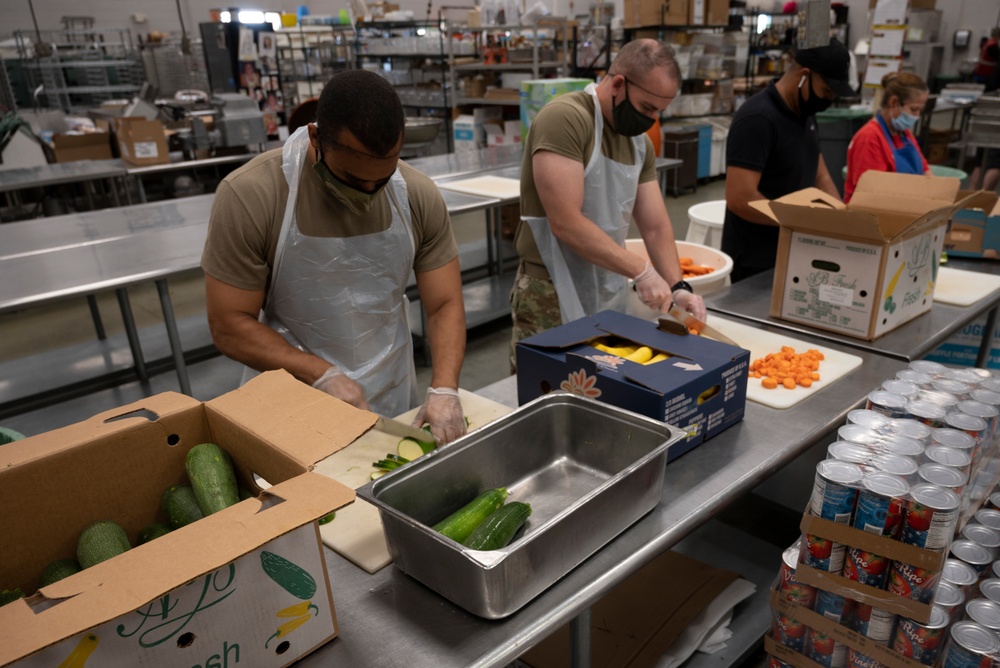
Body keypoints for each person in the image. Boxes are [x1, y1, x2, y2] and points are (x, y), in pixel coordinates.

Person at [202, 70, 468, 444]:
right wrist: (320, 374)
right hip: (294, 396)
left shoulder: (417, 194)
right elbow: (229, 323)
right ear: (315, 137)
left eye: (382, 179)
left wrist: (444, 389)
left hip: (391, 395)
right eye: (353, 179)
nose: (369, 193)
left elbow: (443, 304)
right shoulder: (253, 195)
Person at [510, 39, 706, 365]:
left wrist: (677, 287)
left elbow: (655, 226)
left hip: (608, 287)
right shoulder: (566, 119)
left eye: (659, 111)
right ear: (617, 84)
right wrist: (641, 271)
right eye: (646, 108)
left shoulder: (639, 144)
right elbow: (565, 223)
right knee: (547, 391)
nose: (652, 119)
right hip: (551, 290)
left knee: (604, 392)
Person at [723, 39, 853, 282]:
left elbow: (820, 175)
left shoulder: (805, 115)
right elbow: (740, 198)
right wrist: (799, 222)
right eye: (826, 92)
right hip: (757, 260)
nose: (827, 100)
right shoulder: (758, 119)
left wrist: (841, 219)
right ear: (804, 76)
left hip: (794, 251)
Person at [843, 72, 930, 203]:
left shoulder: (904, 135)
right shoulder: (869, 138)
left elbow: (925, 172)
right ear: (894, 102)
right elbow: (872, 196)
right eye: (913, 109)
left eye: (919, 110)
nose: (917, 116)